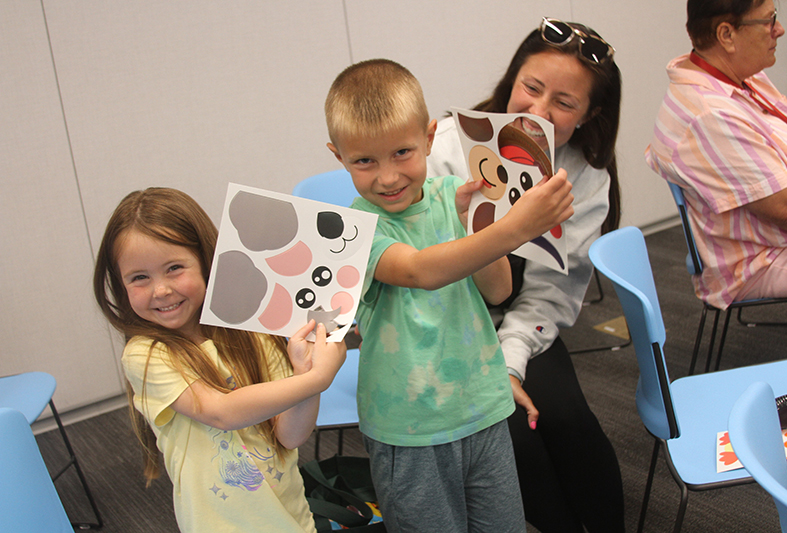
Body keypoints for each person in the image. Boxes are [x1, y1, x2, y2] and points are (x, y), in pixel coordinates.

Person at [324, 58, 574, 533]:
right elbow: (418, 272)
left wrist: (482, 221)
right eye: (364, 161)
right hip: (409, 429)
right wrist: (515, 228)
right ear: (339, 157)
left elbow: (499, 290)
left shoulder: (451, 196)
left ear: (430, 136)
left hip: (482, 407)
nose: (388, 176)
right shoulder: (354, 232)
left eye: (402, 152)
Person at [427, 18, 625, 533]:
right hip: (444, 322)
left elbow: (548, 299)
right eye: (530, 88)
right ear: (512, 78)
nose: (537, 111)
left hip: (520, 320)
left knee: (567, 421)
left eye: (564, 102)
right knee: (511, 434)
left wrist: (510, 364)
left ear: (590, 115)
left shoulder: (583, 177)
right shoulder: (449, 144)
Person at [93, 187, 347, 533]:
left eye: (174, 268)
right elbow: (220, 412)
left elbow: (290, 436)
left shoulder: (253, 334)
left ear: (206, 261)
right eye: (140, 278)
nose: (161, 290)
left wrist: (305, 374)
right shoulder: (145, 354)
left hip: (292, 520)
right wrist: (316, 380)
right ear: (120, 284)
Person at [646, 0, 787, 310]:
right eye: (769, 21)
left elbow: (782, 126)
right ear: (727, 34)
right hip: (761, 258)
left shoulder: (734, 75)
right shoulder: (710, 115)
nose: (779, 30)